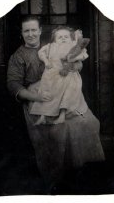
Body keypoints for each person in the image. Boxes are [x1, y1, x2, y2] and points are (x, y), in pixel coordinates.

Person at [7, 15, 105, 193]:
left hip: (64, 91)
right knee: (56, 132)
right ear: (21, 33)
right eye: (26, 31)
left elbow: (76, 60)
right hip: (38, 97)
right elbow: (13, 84)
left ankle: (82, 173)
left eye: (33, 30)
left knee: (87, 123)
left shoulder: (56, 43)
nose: (30, 34)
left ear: (40, 31)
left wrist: (75, 67)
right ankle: (55, 180)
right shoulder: (18, 56)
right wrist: (34, 97)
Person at [29, 27, 90, 125]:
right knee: (48, 94)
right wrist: (46, 61)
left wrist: (73, 58)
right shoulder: (50, 46)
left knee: (67, 94)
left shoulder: (73, 46)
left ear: (71, 39)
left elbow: (83, 55)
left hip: (69, 75)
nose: (63, 39)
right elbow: (41, 53)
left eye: (66, 37)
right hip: (51, 76)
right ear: (54, 40)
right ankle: (43, 116)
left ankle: (62, 116)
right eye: (60, 37)